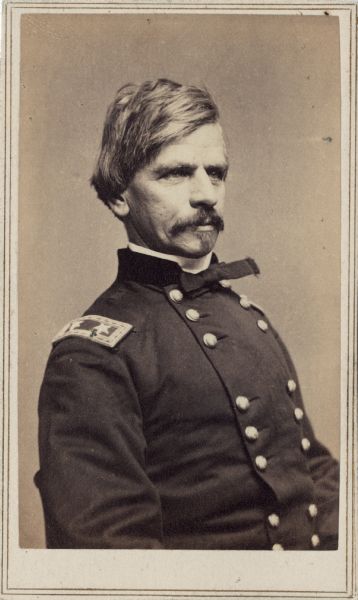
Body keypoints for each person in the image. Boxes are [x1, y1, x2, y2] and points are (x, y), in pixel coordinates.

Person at [36, 78, 339, 550]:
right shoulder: (93, 356)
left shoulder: (249, 319)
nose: (206, 195)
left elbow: (314, 474)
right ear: (119, 195)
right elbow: (108, 553)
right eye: (175, 173)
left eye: (215, 173)